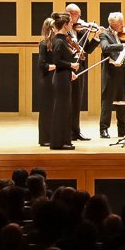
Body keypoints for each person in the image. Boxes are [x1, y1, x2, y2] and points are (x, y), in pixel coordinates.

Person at [66, 3, 99, 140]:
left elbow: (88, 50)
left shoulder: (80, 31)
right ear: (69, 15)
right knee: (67, 101)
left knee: (77, 100)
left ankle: (76, 130)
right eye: (76, 15)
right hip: (67, 68)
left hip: (80, 68)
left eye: (79, 15)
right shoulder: (63, 31)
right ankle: (66, 131)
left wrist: (96, 36)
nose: (79, 19)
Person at [98, 12, 125, 138]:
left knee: (122, 101)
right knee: (107, 101)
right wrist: (122, 46)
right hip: (110, 73)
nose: (123, 24)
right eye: (120, 23)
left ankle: (122, 129)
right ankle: (103, 129)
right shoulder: (104, 34)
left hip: (122, 71)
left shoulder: (123, 34)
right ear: (112, 23)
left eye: (123, 22)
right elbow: (105, 48)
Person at [49, 14, 79, 150]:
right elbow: (57, 62)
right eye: (70, 23)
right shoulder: (59, 41)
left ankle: (63, 141)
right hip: (61, 79)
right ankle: (59, 142)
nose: (72, 25)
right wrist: (71, 65)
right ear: (65, 25)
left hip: (64, 77)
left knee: (65, 110)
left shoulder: (62, 40)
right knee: (62, 110)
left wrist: (70, 70)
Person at [36, 17, 57, 146]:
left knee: (55, 110)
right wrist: (57, 66)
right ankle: (45, 139)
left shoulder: (57, 43)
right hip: (48, 80)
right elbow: (42, 65)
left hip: (56, 78)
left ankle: (53, 137)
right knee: (47, 110)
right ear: (50, 29)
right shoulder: (44, 44)